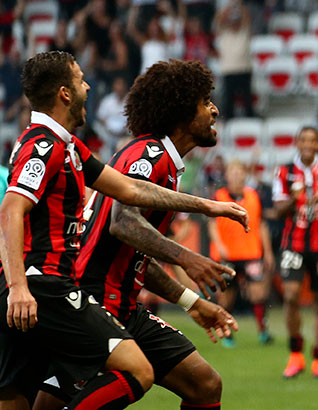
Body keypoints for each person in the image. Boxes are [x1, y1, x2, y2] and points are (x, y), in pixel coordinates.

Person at [0, 51, 247, 409]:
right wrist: (18, 287)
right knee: (134, 373)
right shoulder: (133, 154)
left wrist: (207, 207)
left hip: (103, 297)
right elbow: (121, 221)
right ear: (65, 93)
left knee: (204, 385)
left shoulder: (73, 148)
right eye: (80, 80)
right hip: (70, 291)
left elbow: (129, 196)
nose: (88, 86)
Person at [273, 126, 318, 379]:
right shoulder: (285, 171)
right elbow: (278, 210)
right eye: (304, 140)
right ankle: (295, 354)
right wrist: (294, 198)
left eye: (313, 141)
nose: (308, 145)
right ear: (298, 144)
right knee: (291, 296)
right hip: (294, 243)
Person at [209, 160, 276, 347]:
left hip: (251, 252)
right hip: (226, 255)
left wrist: (268, 251)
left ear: (245, 175)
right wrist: (219, 245)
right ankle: (227, 333)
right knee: (226, 296)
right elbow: (212, 224)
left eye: (240, 172)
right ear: (227, 175)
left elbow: (261, 224)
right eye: (233, 172)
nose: (237, 176)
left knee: (258, 293)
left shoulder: (254, 195)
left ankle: (263, 331)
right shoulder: (219, 196)